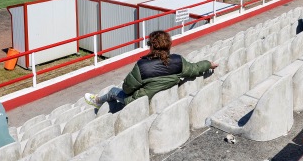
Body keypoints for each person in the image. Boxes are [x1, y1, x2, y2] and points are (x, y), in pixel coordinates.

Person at [84, 30, 217, 109]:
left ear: (152, 47)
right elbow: (195, 69)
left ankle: (98, 102)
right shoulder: (178, 61)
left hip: (139, 102)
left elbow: (126, 89)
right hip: (163, 98)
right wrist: (209, 64)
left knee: (113, 90)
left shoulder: (142, 66)